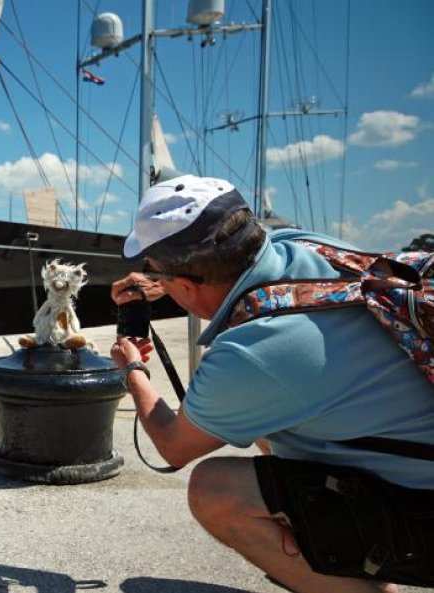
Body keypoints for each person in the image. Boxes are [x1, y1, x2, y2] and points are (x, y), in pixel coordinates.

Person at [109, 174, 434, 592]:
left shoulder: (253, 353)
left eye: (157, 273)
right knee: (266, 426)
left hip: (424, 518)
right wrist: (165, 285)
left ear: (187, 285)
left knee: (215, 489)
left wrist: (132, 368)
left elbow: (174, 446)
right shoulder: (301, 244)